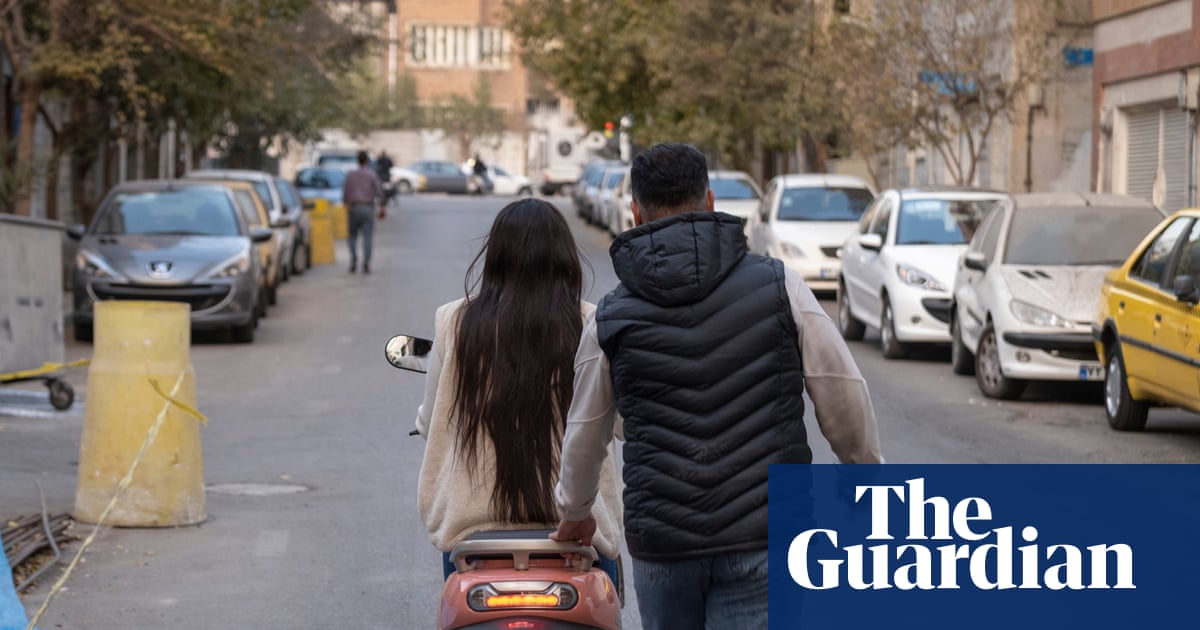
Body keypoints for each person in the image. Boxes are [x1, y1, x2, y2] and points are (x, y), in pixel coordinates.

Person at [551, 143, 882, 628]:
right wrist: (864, 472)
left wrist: (575, 509)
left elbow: (586, 429)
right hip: (767, 535)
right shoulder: (780, 286)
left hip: (663, 543)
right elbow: (841, 387)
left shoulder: (611, 316)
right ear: (709, 201)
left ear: (635, 212)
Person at [413, 198, 624, 590]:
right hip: (575, 532)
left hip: (474, 535)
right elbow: (622, 424)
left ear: (495, 258)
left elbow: (431, 422)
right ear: (565, 259)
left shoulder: (453, 322)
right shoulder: (592, 322)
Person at [341, 150, 385, 274]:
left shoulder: (350, 175)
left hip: (354, 208)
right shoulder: (371, 175)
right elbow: (379, 191)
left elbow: (345, 192)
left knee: (352, 236)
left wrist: (346, 204)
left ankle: (353, 259)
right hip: (367, 208)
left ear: (358, 161)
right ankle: (366, 262)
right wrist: (382, 206)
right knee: (367, 237)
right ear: (367, 161)